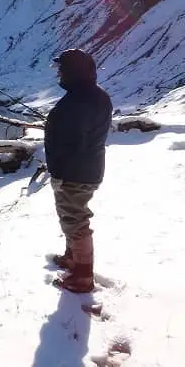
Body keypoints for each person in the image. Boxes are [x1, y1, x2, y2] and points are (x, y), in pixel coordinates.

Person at [44, 48, 113, 293]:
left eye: (61, 70)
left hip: (74, 174)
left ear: (73, 72)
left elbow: (75, 140)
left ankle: (82, 277)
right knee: (71, 217)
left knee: (75, 221)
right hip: (84, 171)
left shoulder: (78, 102)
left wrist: (54, 127)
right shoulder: (95, 96)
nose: (59, 75)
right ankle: (73, 259)